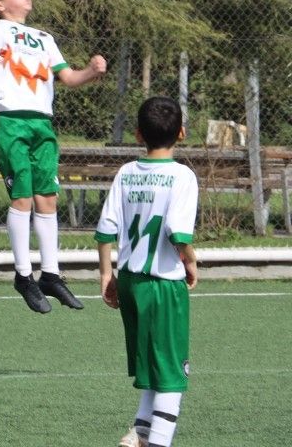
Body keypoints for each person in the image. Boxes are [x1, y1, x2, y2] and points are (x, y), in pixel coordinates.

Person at [0, 0, 107, 313]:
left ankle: (50, 274)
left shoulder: (44, 38)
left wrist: (91, 71)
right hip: (10, 121)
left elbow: (69, 77)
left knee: (47, 197)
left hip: (42, 122)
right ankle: (24, 276)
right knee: (22, 196)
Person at [95, 96, 198, 447]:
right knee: (170, 373)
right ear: (181, 133)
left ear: (138, 134)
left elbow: (106, 230)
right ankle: (157, 441)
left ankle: (139, 432)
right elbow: (177, 232)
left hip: (130, 281)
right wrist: (191, 262)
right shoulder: (182, 176)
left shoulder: (126, 172)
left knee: (155, 363)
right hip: (162, 285)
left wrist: (106, 275)